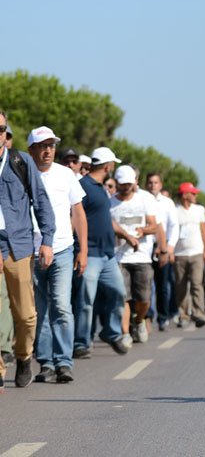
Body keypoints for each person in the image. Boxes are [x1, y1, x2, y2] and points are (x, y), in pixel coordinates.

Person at [0, 113, 56, 389]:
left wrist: (47, 240)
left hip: (18, 245)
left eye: (1, 129)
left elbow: (41, 202)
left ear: (5, 133)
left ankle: (23, 357)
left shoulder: (20, 162)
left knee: (25, 314)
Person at [27, 127, 87, 384]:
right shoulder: (22, 173)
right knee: (39, 309)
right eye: (42, 146)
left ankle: (63, 362)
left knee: (61, 305)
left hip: (62, 248)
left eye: (51, 145)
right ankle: (46, 363)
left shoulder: (66, 174)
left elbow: (78, 212)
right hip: (31, 251)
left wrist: (83, 250)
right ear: (32, 150)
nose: (48, 150)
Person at [72, 147, 131, 358]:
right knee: (86, 300)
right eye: (112, 165)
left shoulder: (101, 188)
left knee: (119, 293)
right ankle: (80, 343)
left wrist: (126, 235)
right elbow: (74, 217)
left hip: (107, 255)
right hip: (90, 253)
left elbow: (106, 218)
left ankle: (111, 332)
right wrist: (80, 250)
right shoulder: (83, 186)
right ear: (108, 166)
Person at [110, 165, 159, 344]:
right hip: (119, 257)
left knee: (144, 298)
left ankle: (139, 321)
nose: (125, 187)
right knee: (123, 297)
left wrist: (143, 230)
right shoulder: (110, 203)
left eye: (128, 184)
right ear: (116, 182)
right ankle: (125, 334)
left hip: (141, 257)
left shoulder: (144, 199)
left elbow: (154, 226)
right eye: (122, 184)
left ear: (134, 183)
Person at [174, 182, 205, 328]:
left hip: (197, 253)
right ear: (185, 195)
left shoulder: (199, 210)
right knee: (181, 286)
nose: (195, 196)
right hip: (179, 254)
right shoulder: (175, 211)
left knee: (196, 283)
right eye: (192, 193)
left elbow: (204, 231)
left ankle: (198, 313)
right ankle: (183, 315)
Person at [145, 172, 179, 331]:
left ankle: (163, 317)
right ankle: (146, 316)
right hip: (145, 247)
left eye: (156, 182)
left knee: (162, 285)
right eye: (150, 182)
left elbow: (174, 226)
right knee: (145, 285)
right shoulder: (142, 199)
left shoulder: (167, 203)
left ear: (161, 184)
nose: (153, 185)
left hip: (163, 248)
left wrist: (169, 247)